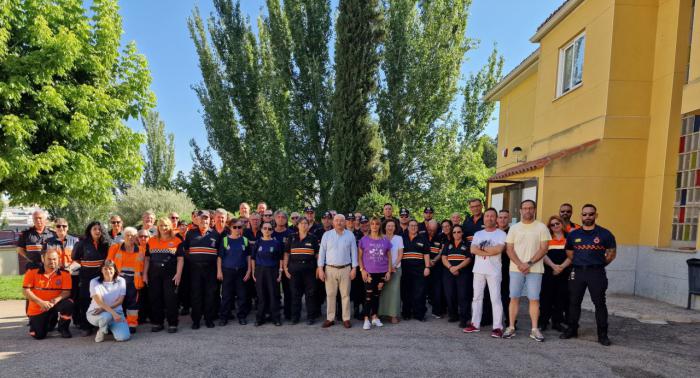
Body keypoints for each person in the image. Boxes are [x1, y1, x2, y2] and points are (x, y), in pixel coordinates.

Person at [560, 204, 616, 346]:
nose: (587, 217)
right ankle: (572, 329)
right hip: (578, 271)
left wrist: (598, 264)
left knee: (600, 304)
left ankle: (602, 335)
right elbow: (569, 253)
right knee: (573, 302)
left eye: (591, 214)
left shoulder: (605, 234)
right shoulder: (574, 234)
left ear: (596, 215)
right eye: (584, 214)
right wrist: (580, 262)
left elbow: (611, 254)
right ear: (581, 216)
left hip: (596, 272)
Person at [503, 200, 550, 342]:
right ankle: (511, 327)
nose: (527, 210)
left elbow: (544, 248)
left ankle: (535, 329)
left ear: (534, 209)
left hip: (535, 269)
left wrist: (528, 263)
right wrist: (520, 264)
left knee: (534, 299)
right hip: (516, 269)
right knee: (514, 298)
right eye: (525, 208)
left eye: (530, 208)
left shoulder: (541, 227)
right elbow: (509, 249)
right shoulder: (514, 228)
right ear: (520, 210)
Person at [465, 208, 506, 338]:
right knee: (476, 297)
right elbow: (472, 249)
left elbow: (498, 249)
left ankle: (497, 327)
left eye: (492, 216)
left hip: (494, 271)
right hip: (478, 270)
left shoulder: (501, 234)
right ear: (484, 218)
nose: (489, 218)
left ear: (496, 218)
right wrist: (488, 250)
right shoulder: (478, 234)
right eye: (487, 216)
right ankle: (475, 324)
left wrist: (481, 248)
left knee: (495, 298)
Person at [143, 218, 184, 333]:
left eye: (166, 225)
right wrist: (145, 274)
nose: (163, 228)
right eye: (161, 225)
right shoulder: (151, 241)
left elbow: (181, 259)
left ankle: (172, 323)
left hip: (170, 275)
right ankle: (157, 323)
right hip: (154, 274)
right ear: (157, 227)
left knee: (171, 299)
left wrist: (178, 274)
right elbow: (147, 259)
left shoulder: (177, 240)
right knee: (155, 298)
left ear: (170, 226)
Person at [317, 214, 358, 328]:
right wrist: (320, 269)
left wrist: (354, 268)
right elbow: (321, 253)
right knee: (330, 295)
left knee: (345, 295)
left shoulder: (350, 235)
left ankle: (346, 318)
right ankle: (330, 318)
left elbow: (354, 253)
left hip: (345, 269)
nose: (339, 222)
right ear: (333, 222)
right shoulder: (327, 235)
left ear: (345, 222)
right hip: (330, 269)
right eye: (337, 220)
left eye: (341, 221)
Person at [22, 248, 73, 339]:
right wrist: (41, 302)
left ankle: (63, 328)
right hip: (39, 306)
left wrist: (55, 300)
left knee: (68, 304)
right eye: (49, 259)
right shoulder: (32, 272)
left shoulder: (65, 274)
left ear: (58, 260)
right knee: (38, 335)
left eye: (54, 259)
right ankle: (50, 320)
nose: (52, 262)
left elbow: (66, 292)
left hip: (54, 303)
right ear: (43, 259)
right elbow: (26, 291)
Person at [183, 210, 220, 329]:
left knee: (210, 294)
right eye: (202, 218)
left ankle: (209, 319)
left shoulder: (215, 234)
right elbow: (186, 250)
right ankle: (196, 320)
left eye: (206, 218)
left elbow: (219, 253)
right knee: (196, 295)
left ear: (210, 220)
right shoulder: (190, 234)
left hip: (211, 269)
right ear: (197, 220)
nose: (204, 220)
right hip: (195, 269)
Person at [72, 221, 109, 336]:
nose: (97, 231)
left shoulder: (107, 243)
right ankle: (85, 326)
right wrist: (87, 264)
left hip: (101, 276)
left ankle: (101, 324)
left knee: (102, 299)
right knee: (85, 300)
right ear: (90, 231)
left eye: (99, 229)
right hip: (86, 276)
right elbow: (75, 257)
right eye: (94, 229)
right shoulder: (82, 243)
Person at [107, 227, 145, 333]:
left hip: (134, 280)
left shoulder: (141, 249)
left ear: (136, 237)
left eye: (133, 235)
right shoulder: (115, 247)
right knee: (116, 301)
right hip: (118, 280)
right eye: (128, 235)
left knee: (132, 302)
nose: (130, 237)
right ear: (123, 236)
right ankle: (115, 323)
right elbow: (108, 264)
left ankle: (131, 324)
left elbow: (146, 264)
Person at [358, 217, 392, 330]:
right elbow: (360, 257)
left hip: (382, 272)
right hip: (369, 273)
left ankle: (374, 317)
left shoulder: (385, 240)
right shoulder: (364, 240)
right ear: (370, 225)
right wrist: (362, 270)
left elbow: (389, 257)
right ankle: (366, 319)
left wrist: (388, 271)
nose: (374, 226)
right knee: (368, 296)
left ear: (379, 226)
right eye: (372, 224)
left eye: (377, 224)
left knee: (377, 296)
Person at [283, 217, 319, 325]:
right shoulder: (291, 237)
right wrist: (285, 268)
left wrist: (318, 268)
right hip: (294, 269)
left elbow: (317, 255)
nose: (304, 225)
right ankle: (295, 317)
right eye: (301, 223)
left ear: (308, 225)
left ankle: (311, 317)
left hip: (309, 270)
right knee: (295, 294)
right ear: (297, 225)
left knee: (310, 294)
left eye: (306, 223)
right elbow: (286, 254)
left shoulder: (313, 238)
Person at [217, 218, 252, 326]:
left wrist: (249, 270)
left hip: (241, 271)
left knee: (242, 296)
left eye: (239, 227)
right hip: (227, 271)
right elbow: (220, 258)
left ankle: (242, 317)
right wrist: (219, 271)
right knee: (226, 296)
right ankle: (224, 317)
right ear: (230, 228)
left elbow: (249, 257)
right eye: (235, 227)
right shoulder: (225, 240)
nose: (237, 229)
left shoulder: (245, 240)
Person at [539, 215, 570, 332]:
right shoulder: (547, 238)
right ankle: (543, 322)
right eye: (552, 224)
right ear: (549, 227)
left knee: (560, 298)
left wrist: (561, 267)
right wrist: (553, 266)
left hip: (564, 271)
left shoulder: (569, 238)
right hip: (549, 272)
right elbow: (543, 254)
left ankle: (557, 322)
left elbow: (572, 255)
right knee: (546, 298)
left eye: (557, 223)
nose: (555, 226)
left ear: (562, 224)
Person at [87, 260, 130, 342]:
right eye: (105, 269)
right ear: (101, 270)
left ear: (115, 269)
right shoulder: (94, 282)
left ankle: (107, 327)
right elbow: (100, 302)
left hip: (116, 313)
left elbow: (120, 301)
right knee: (107, 316)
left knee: (123, 337)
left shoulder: (121, 281)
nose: (108, 271)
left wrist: (105, 309)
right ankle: (102, 331)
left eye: (110, 268)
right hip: (97, 313)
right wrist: (113, 313)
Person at [46, 218, 79, 320]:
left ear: (67, 227)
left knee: (74, 299)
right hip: (57, 276)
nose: (61, 228)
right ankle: (52, 321)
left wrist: (70, 268)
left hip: (73, 275)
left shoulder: (75, 240)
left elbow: (79, 259)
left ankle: (76, 321)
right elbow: (47, 259)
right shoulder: (49, 242)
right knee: (57, 299)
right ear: (54, 228)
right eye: (58, 226)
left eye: (64, 226)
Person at [251, 222, 284, 326]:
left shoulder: (276, 243)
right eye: (265, 228)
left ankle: (276, 318)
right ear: (261, 230)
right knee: (261, 296)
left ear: (272, 231)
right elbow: (252, 259)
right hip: (260, 271)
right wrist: (253, 272)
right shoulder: (258, 243)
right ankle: (260, 318)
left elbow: (281, 259)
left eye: (269, 229)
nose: (267, 230)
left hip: (273, 271)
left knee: (273, 295)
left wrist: (280, 272)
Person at [441, 224, 472, 328]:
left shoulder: (467, 244)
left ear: (462, 233)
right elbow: (444, 257)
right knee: (450, 294)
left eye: (459, 232)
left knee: (463, 296)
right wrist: (451, 268)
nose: (456, 234)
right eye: (454, 232)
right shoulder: (448, 243)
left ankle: (464, 318)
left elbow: (468, 258)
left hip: (463, 273)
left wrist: (457, 268)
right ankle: (453, 315)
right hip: (449, 272)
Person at [400, 220, 431, 321]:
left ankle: (419, 314)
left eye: (415, 226)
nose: (413, 227)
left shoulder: (423, 239)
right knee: (406, 292)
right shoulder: (402, 238)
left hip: (419, 270)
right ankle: (406, 313)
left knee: (420, 292)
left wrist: (427, 267)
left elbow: (426, 254)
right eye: (411, 225)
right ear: (408, 227)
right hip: (405, 270)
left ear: (418, 227)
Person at [378, 219, 403, 324]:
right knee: (381, 292)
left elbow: (400, 254)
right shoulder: (380, 237)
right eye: (388, 226)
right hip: (382, 269)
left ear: (395, 228)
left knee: (394, 292)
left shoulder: (398, 238)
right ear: (385, 227)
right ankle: (380, 313)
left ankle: (393, 315)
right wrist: (386, 268)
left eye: (392, 226)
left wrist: (393, 266)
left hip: (395, 269)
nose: (390, 227)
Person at [272, 210, 295, 321]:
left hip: (287, 266)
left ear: (286, 220)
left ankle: (288, 313)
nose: (280, 219)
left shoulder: (290, 234)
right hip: (273, 266)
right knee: (274, 291)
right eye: (278, 217)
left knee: (288, 290)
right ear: (275, 219)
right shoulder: (270, 233)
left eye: (283, 217)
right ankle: (275, 314)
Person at [425, 220, 445, 319]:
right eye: (430, 229)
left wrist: (434, 261)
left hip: (436, 266)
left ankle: (436, 311)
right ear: (427, 227)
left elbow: (441, 252)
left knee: (437, 290)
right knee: (422, 289)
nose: (431, 232)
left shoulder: (440, 237)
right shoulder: (422, 236)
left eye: (434, 230)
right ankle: (420, 311)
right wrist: (427, 263)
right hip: (424, 266)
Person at [497, 209, 512, 325]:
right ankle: (488, 318)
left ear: (509, 219)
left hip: (508, 267)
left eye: (505, 217)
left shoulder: (513, 232)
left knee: (506, 295)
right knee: (490, 294)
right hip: (493, 267)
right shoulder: (493, 232)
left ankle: (510, 320)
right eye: (500, 217)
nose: (502, 220)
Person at [136, 230, 152, 324]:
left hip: (151, 276)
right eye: (141, 236)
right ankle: (141, 317)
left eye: (145, 236)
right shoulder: (134, 249)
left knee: (151, 297)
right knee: (140, 298)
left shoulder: (152, 248)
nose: (143, 238)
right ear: (137, 238)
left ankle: (151, 316)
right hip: (137, 278)